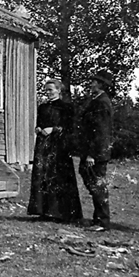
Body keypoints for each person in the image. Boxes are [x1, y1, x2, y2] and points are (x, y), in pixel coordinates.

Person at [28, 79, 83, 223]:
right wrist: (39, 128)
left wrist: (53, 129)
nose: (48, 93)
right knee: (43, 176)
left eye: (51, 90)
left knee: (58, 177)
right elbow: (39, 123)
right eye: (46, 90)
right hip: (43, 145)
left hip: (59, 147)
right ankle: (44, 211)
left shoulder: (66, 108)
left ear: (58, 90)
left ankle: (60, 212)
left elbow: (69, 128)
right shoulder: (43, 107)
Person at [78, 70, 114, 230]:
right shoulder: (96, 100)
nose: (91, 83)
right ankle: (98, 218)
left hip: (96, 154)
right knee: (93, 183)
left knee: (98, 186)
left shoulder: (102, 103)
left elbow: (101, 131)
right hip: (92, 151)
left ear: (100, 84)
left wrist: (93, 154)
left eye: (94, 81)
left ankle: (102, 221)